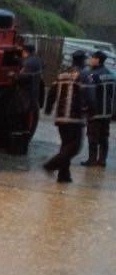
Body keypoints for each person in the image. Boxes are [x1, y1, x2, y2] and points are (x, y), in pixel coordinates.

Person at [43, 50, 89, 183]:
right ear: (82, 61)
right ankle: (50, 165)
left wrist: (48, 109)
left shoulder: (62, 74)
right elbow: (88, 95)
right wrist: (90, 109)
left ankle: (63, 176)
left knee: (65, 146)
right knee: (75, 146)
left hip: (60, 117)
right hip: (75, 118)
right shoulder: (82, 75)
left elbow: (51, 93)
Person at [81, 50, 116, 167]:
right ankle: (102, 161)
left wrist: (86, 108)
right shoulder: (111, 74)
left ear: (97, 60)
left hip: (95, 112)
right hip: (107, 113)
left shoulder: (93, 74)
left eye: (93, 58)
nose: (91, 60)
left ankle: (91, 160)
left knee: (92, 137)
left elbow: (90, 94)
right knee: (104, 136)